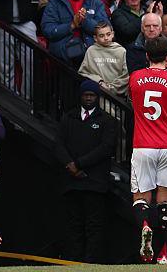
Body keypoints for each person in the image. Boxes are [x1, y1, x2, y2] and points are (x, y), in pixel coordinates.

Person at [128, 37, 167, 265]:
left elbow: (134, 104)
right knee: (165, 203)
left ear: (147, 56)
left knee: (141, 199)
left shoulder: (135, 78)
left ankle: (146, 226)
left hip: (143, 145)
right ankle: (163, 253)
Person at [55, 79, 116, 263]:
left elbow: (106, 148)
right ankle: (73, 261)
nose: (89, 99)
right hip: (72, 182)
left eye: (92, 95)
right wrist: (70, 165)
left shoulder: (106, 120)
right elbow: (58, 144)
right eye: (85, 95)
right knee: (73, 224)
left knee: (94, 225)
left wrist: (79, 164)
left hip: (95, 182)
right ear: (80, 96)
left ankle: (91, 262)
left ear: (97, 97)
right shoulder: (69, 117)